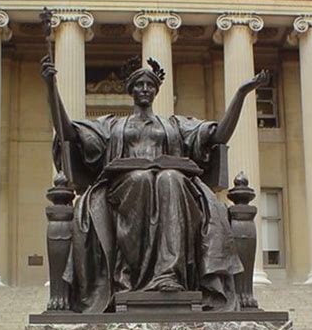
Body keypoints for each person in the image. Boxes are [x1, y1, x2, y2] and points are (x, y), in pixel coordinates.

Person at [41, 55, 270, 313]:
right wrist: (51, 88)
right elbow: (69, 132)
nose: (145, 89)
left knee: (169, 178)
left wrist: (240, 95)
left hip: (171, 187)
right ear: (130, 90)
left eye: (150, 85)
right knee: (140, 179)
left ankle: (167, 274)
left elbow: (218, 135)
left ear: (156, 90)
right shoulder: (113, 125)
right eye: (139, 85)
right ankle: (128, 276)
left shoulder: (174, 125)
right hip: (123, 188)